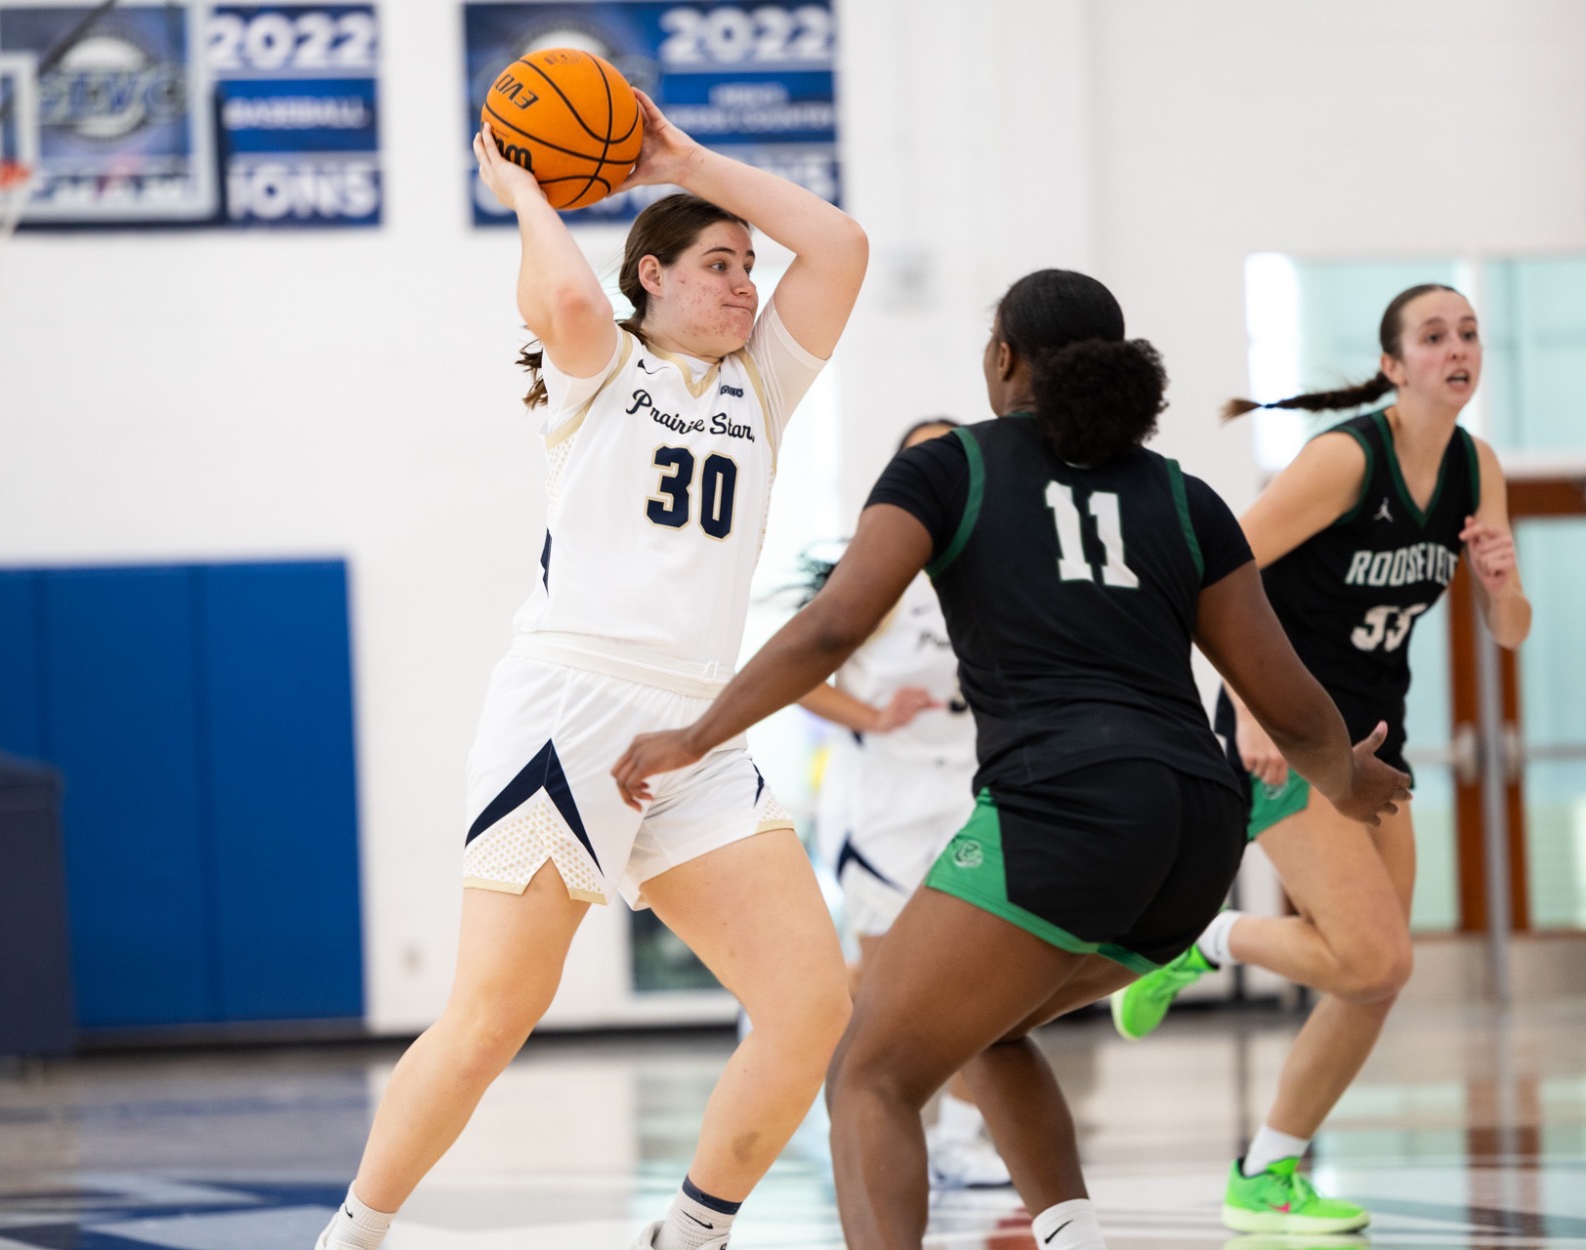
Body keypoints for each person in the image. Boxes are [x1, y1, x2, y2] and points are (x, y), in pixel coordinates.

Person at [611, 269, 1409, 1250]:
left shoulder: (952, 467)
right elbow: (1281, 692)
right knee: (980, 1030)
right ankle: (1073, 1234)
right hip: (1198, 835)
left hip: (1068, 805)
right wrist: (1342, 776)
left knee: (868, 1068)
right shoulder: (1182, 495)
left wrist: (693, 734)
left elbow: (832, 627)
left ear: (1001, 358)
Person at [312, 93, 868, 1250]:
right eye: (717, 263)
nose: (744, 285)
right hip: (569, 709)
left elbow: (841, 247)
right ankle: (352, 1235)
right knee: (489, 1020)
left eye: (747, 269)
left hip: (696, 732)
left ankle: (690, 1229)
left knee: (812, 1003)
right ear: (650, 277)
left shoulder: (762, 387)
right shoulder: (600, 368)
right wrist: (522, 182)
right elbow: (565, 291)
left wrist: (682, 156)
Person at [1110, 283, 1532, 1235]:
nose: (1456, 348)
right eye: (1433, 336)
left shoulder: (1477, 468)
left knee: (1377, 976)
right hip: (1287, 728)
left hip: (1378, 742)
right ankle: (1201, 943)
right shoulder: (1347, 458)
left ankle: (1267, 1172)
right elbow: (1222, 569)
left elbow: (1509, 632)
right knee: (1372, 953)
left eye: (1468, 332)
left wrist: (1500, 586)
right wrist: (1253, 702)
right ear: (1393, 365)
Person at [796, 418, 1010, 1190]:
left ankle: (959, 1137)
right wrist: (874, 715)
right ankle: (804, 1029)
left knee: (975, 976)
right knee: (887, 990)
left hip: (968, 788)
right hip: (881, 802)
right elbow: (799, 675)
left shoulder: (998, 563)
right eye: (924, 455)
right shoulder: (873, 568)